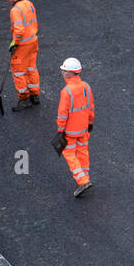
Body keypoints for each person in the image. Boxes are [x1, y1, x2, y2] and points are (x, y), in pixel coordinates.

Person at [54, 58, 94, 198]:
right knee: (83, 152)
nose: (62, 72)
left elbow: (62, 114)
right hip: (83, 129)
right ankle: (85, 176)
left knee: (69, 154)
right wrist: (90, 123)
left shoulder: (66, 92)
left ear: (70, 73)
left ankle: (82, 181)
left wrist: (60, 130)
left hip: (70, 132)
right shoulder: (86, 87)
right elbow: (90, 107)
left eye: (64, 70)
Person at [2, 0, 40, 110]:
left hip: (23, 45)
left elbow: (19, 30)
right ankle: (35, 95)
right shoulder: (28, 3)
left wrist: (14, 44)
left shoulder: (15, 10)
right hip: (33, 41)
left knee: (18, 72)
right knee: (31, 68)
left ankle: (24, 99)